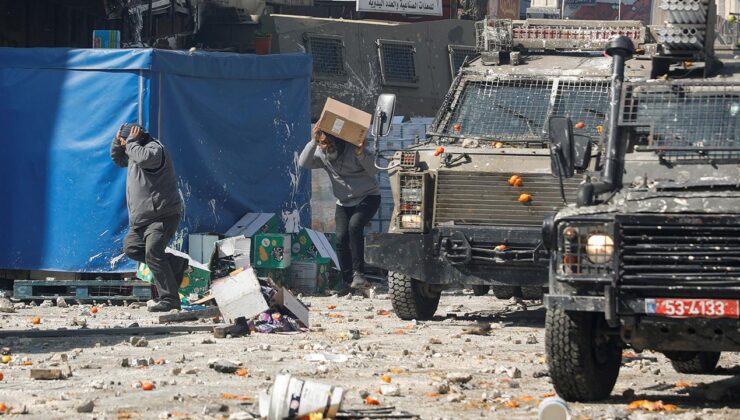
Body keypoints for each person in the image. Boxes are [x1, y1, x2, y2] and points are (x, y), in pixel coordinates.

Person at [110, 123, 188, 312]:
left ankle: (170, 300)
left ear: (136, 139)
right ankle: (176, 263)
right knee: (132, 248)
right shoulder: (133, 151)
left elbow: (143, 158)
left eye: (125, 142)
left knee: (153, 253)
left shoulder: (154, 150)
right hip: (142, 219)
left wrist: (130, 143)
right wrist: (117, 141)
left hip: (161, 215)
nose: (124, 145)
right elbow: (118, 159)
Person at [299, 126, 380, 289]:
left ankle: (359, 274)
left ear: (339, 140)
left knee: (354, 226)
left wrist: (361, 154)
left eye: (330, 141)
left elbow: (373, 169)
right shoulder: (322, 154)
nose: (328, 146)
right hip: (343, 202)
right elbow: (303, 162)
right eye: (323, 143)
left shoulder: (353, 149)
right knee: (341, 238)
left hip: (368, 196)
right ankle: (347, 280)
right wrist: (313, 142)